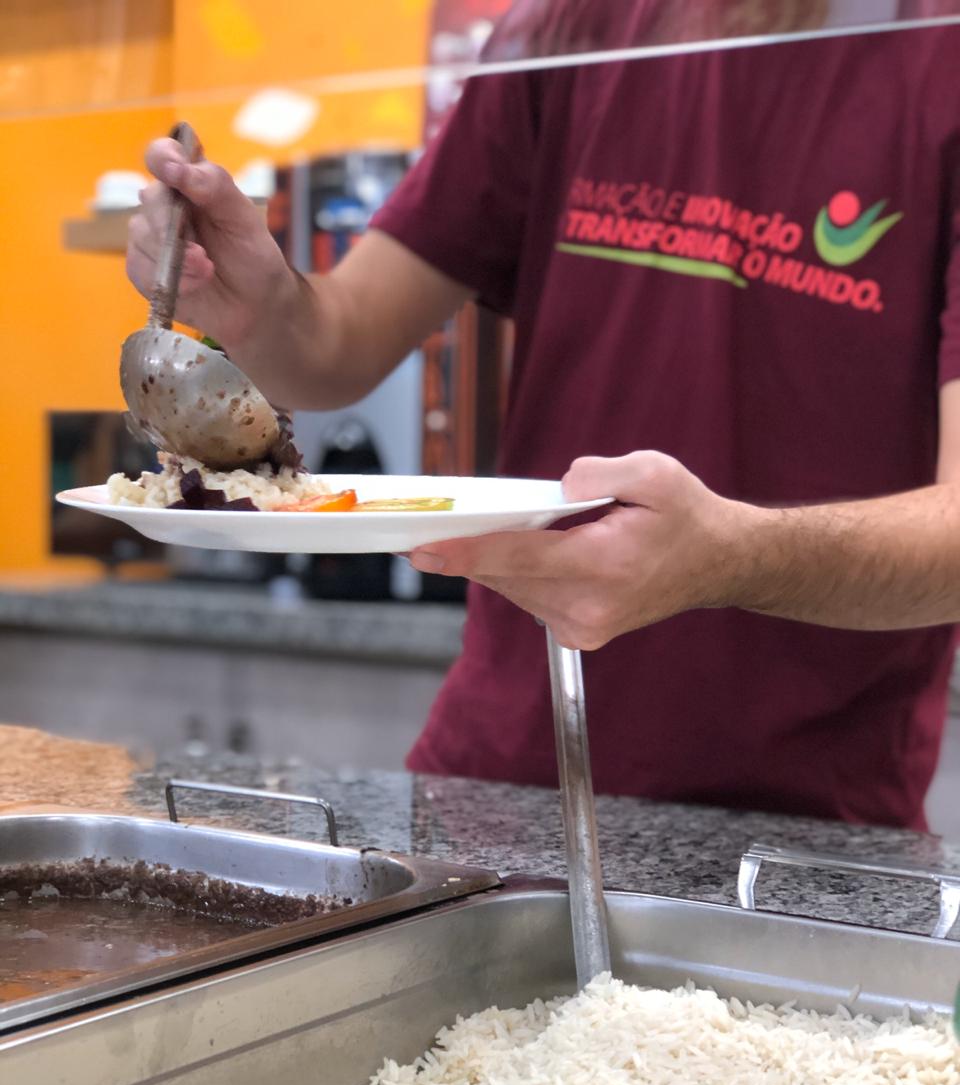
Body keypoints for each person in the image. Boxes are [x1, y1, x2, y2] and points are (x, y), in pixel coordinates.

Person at [127, 2, 960, 830]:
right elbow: (337, 344)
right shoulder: (572, 27)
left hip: (805, 827)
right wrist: (259, 305)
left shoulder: (932, 51)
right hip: (496, 786)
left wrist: (737, 558)